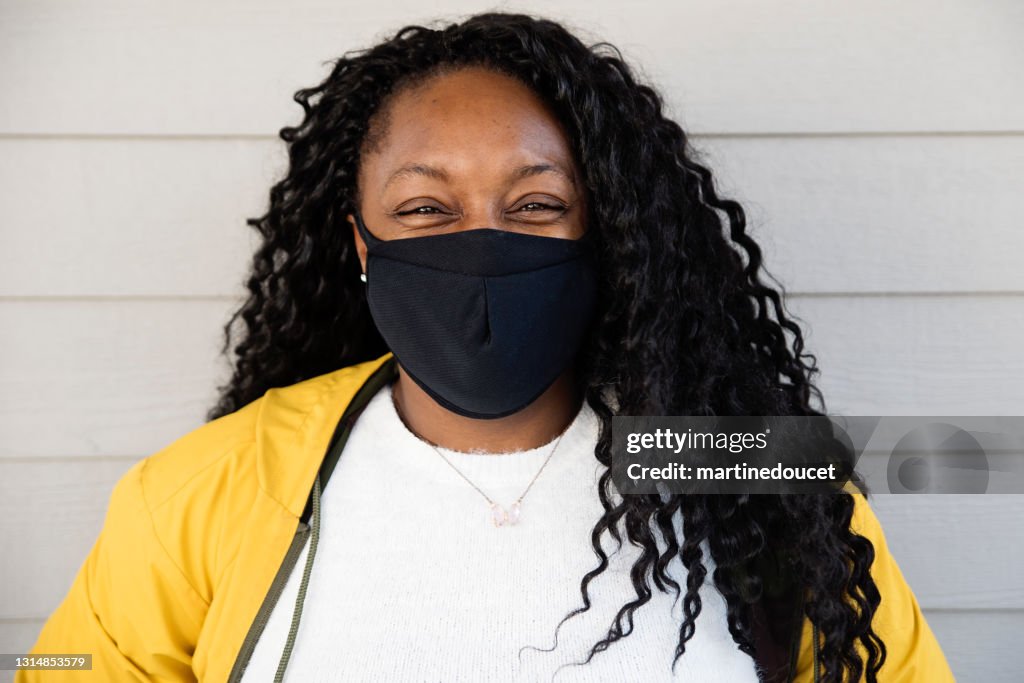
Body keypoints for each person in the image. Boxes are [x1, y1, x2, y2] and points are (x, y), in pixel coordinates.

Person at [21, 12, 954, 683]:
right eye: (426, 209)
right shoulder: (203, 489)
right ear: (360, 242)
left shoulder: (750, 469)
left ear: (608, 233)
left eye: (537, 205)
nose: (480, 245)